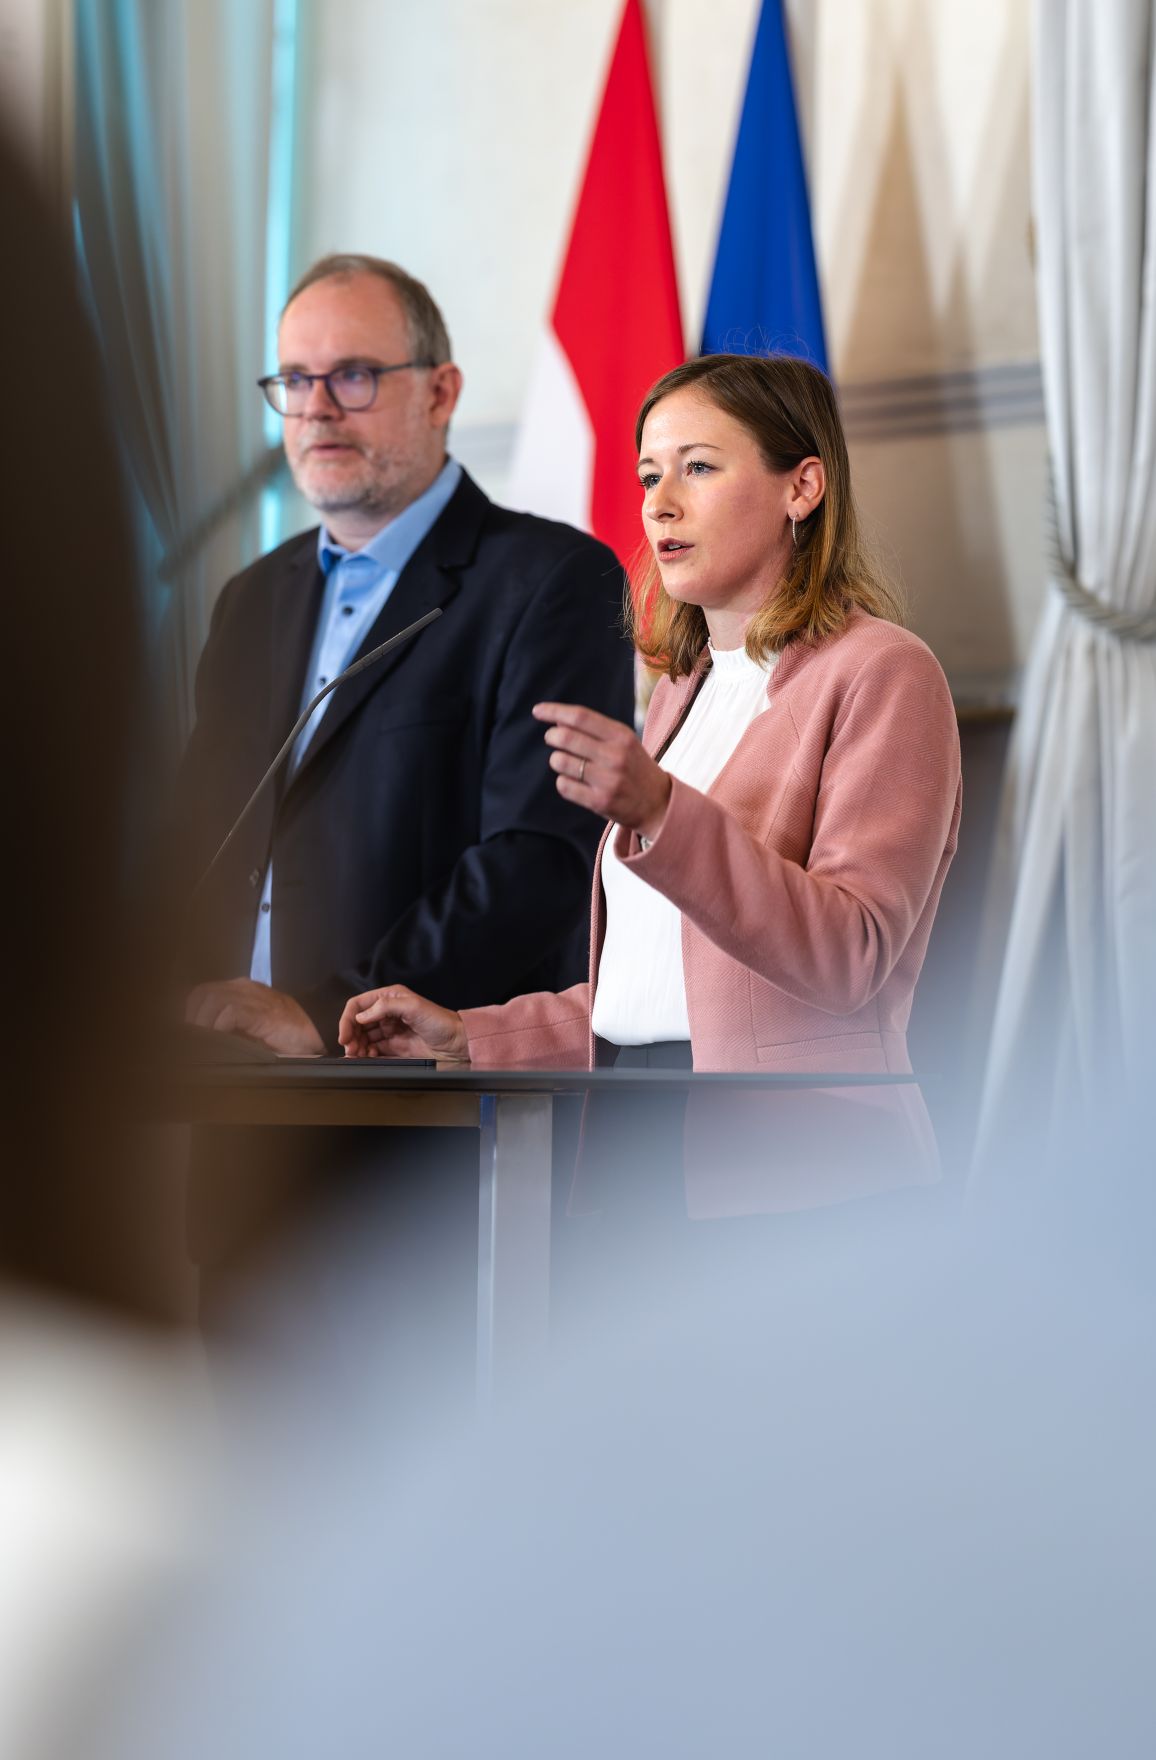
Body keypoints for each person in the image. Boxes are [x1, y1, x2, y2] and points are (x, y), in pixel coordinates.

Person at [339, 354, 962, 1165]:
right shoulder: (680, 692)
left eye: (698, 468)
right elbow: (659, 982)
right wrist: (471, 1036)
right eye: (647, 475)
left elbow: (851, 958)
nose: (659, 504)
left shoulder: (884, 672)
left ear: (801, 487)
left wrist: (663, 813)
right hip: (628, 1128)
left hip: (796, 1164)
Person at [178, 253, 633, 1055]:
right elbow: (198, 834)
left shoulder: (553, 580)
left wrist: (332, 1013)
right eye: (294, 379)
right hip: (233, 1092)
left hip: (428, 1095)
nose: (316, 409)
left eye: (352, 376)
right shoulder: (249, 599)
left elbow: (539, 860)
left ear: (440, 392)